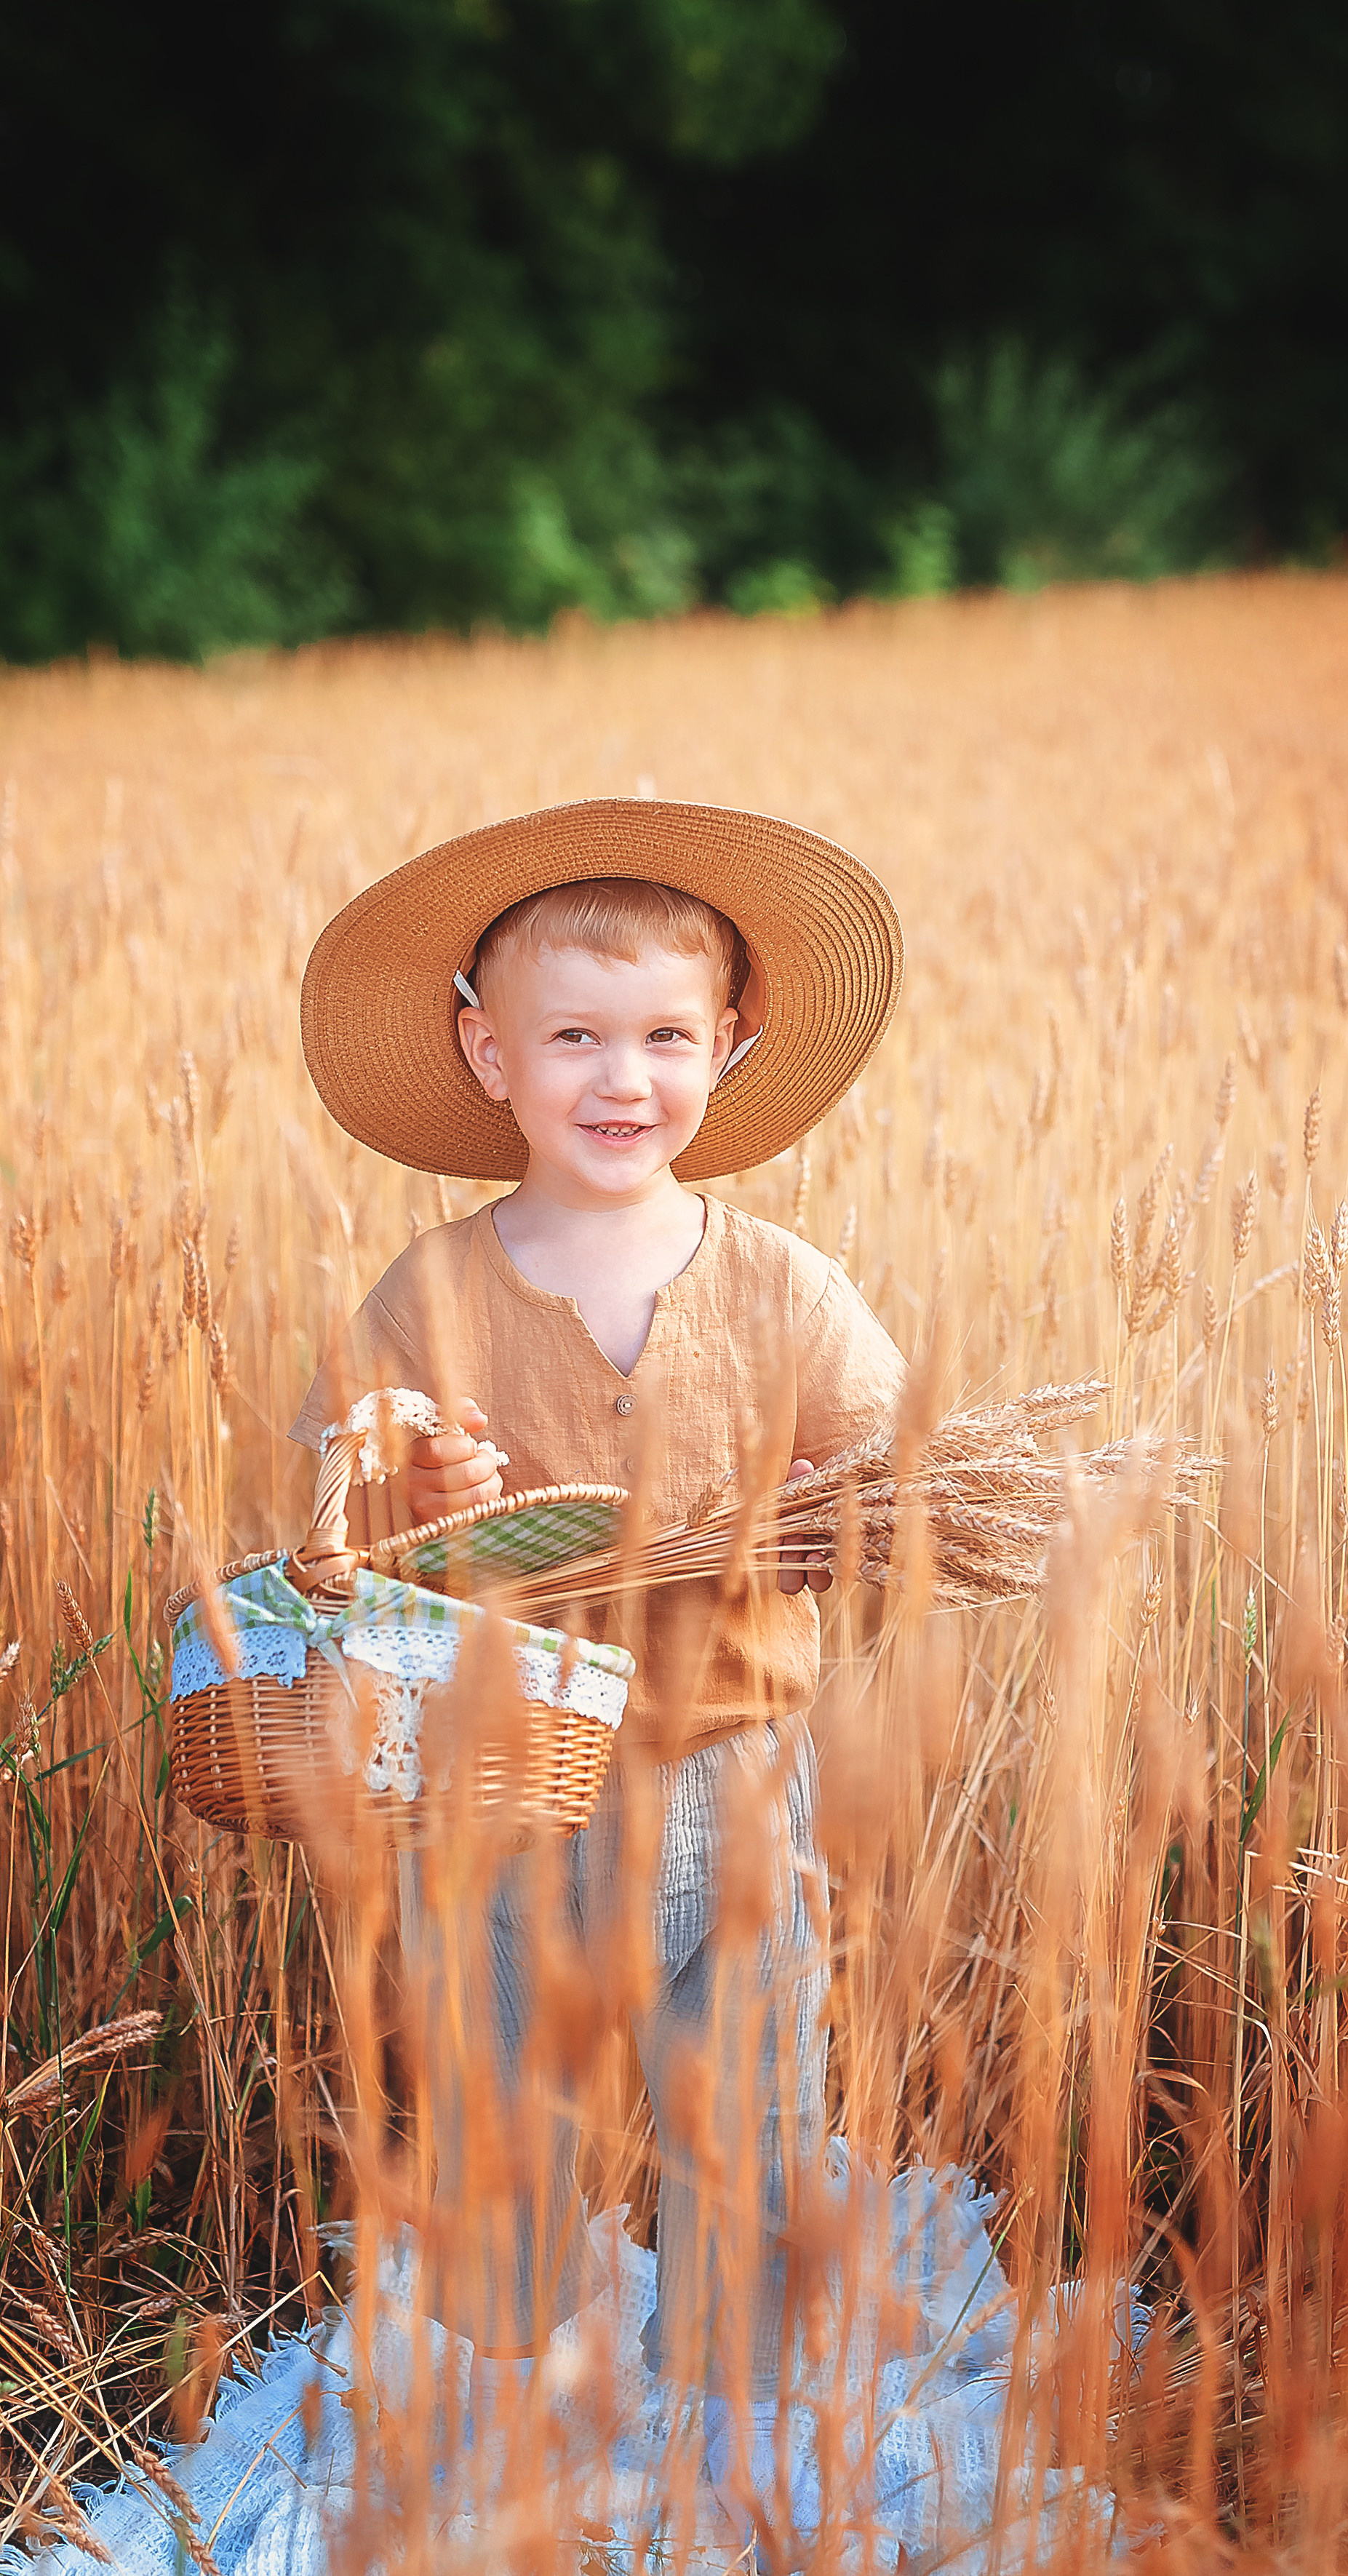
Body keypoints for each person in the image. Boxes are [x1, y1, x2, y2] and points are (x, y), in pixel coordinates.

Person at [290, 797, 906, 2439]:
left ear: (730, 1044)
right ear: (489, 1055)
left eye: (661, 1036)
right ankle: (508, 2382)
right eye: (572, 1036)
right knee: (501, 2095)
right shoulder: (429, 1289)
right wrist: (425, 1486)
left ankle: (736, 2397)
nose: (618, 1078)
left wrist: (842, 1521)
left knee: (752, 2107)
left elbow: (886, 1478)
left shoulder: (788, 1284)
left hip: (741, 1768)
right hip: (502, 1786)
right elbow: (343, 1500)